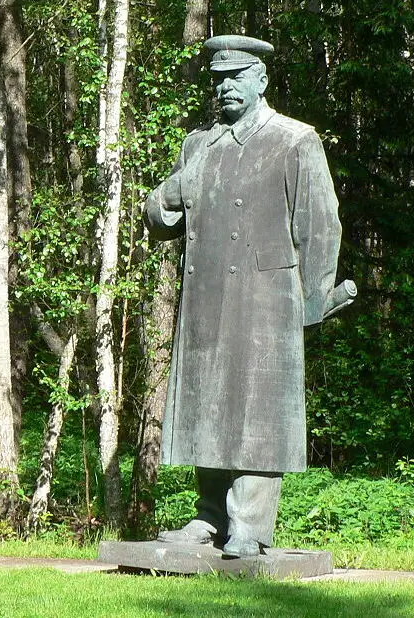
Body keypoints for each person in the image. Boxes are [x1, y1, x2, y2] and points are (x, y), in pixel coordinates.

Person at [144, 35, 350, 558]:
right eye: (218, 79)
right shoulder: (199, 144)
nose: (226, 87)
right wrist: (173, 190)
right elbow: (159, 218)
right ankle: (210, 516)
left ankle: (251, 524)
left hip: (267, 297)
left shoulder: (294, 140)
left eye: (236, 76)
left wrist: (313, 300)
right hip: (207, 295)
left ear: (261, 80)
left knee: (258, 406)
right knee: (206, 403)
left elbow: (321, 225)